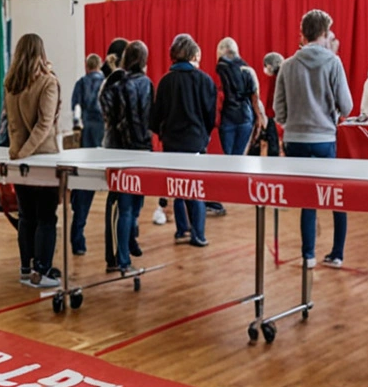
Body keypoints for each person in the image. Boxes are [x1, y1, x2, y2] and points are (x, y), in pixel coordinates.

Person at [274, 10, 353, 268]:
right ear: (323, 33)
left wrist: (294, 123)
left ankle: (308, 255)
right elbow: (347, 105)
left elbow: (279, 110)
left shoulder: (287, 65)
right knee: (335, 195)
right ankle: (337, 253)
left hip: (295, 139)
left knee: (307, 198)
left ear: (303, 34)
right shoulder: (333, 62)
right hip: (323, 137)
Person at [5, 33, 62, 288]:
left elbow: (13, 126)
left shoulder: (11, 84)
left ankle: (26, 269)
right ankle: (43, 271)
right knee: (46, 217)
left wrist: (17, 152)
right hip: (43, 158)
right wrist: (27, 151)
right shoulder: (48, 82)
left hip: (19, 157)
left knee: (27, 215)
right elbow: (44, 124)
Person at [149, 34, 216, 247]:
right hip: (195, 142)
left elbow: (156, 116)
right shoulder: (204, 80)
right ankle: (199, 234)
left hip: (172, 143)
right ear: (192, 54)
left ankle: (181, 230)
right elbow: (210, 115)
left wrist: (164, 133)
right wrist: (204, 135)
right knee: (195, 188)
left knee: (177, 189)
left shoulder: (165, 82)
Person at [102, 40, 155, 272]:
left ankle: (125, 248)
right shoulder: (146, 83)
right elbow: (150, 117)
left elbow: (106, 111)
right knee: (130, 205)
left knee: (127, 205)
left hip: (119, 150)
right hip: (139, 149)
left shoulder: (115, 83)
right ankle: (122, 257)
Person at [208, 37, 258, 216]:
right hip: (245, 117)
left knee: (225, 159)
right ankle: (235, 192)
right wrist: (258, 120)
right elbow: (254, 96)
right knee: (237, 158)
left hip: (228, 119)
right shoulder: (247, 69)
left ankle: (218, 198)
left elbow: (218, 96)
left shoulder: (219, 69)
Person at [69, 54, 105, 255]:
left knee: (84, 182)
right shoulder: (106, 83)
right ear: (99, 65)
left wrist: (77, 125)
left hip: (86, 135)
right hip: (104, 135)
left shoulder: (81, 83)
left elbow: (75, 107)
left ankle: (78, 235)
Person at [248, 52, 285, 157]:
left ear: (269, 65)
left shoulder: (275, 79)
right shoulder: (283, 76)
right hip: (280, 117)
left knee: (273, 147)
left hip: (274, 117)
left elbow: (271, 101)